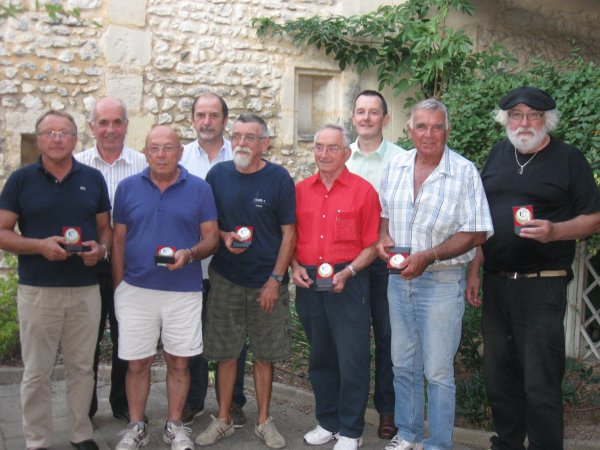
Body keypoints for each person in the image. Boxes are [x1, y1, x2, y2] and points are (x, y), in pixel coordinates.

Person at [466, 86, 600, 450]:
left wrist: (557, 231)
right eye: (516, 115)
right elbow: (484, 221)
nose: (524, 123)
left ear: (547, 120)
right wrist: (475, 268)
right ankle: (507, 444)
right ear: (506, 120)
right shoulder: (497, 154)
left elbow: (594, 218)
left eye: (533, 116)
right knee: (500, 377)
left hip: (543, 286)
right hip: (497, 284)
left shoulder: (568, 159)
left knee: (540, 381)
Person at [377, 99, 493, 450]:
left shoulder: (464, 171)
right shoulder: (395, 165)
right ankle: (408, 434)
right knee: (402, 364)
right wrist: (383, 238)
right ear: (409, 130)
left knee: (439, 373)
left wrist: (429, 256)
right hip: (398, 282)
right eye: (421, 126)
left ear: (447, 130)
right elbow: (385, 215)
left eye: (437, 126)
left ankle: (438, 443)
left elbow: (476, 233)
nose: (429, 134)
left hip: (442, 282)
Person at [0, 110, 112, 450]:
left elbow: (105, 229)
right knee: (37, 372)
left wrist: (101, 250)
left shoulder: (92, 179)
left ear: (76, 139)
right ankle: (37, 440)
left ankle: (81, 433)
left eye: (64, 132)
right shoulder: (21, 180)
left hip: (85, 289)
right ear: (39, 139)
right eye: (50, 132)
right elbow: (2, 233)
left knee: (82, 369)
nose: (57, 138)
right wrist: (38, 246)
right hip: (38, 290)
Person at [111, 126, 219, 450]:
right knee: (137, 362)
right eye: (154, 148)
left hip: (183, 290)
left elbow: (211, 237)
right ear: (144, 152)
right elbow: (117, 241)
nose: (161, 154)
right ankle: (136, 426)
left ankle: (175, 425)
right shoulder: (127, 188)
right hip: (136, 290)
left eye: (168, 148)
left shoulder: (199, 189)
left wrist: (190, 254)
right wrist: (119, 287)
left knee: (179, 361)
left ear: (180, 151)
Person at [195, 113, 296, 449]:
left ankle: (264, 421)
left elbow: (289, 234)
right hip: (225, 279)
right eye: (236, 136)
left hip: (265, 283)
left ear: (263, 143)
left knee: (265, 355)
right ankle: (223, 418)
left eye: (249, 137)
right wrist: (222, 235)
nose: (241, 143)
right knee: (225, 354)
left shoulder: (279, 178)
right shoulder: (217, 175)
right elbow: (208, 224)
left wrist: (275, 280)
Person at [292, 124, 382, 450]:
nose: (324, 154)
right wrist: (295, 266)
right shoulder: (300, 190)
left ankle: (351, 429)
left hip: (350, 279)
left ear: (346, 153)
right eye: (319, 147)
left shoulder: (364, 191)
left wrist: (349, 272)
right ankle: (327, 422)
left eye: (332, 148)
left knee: (352, 357)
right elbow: (291, 238)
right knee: (320, 356)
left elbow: (373, 245)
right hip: (310, 280)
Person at [75, 97, 147, 422]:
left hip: (131, 266)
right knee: (85, 341)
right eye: (103, 122)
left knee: (127, 337)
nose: (110, 129)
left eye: (117, 122)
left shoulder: (144, 165)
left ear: (126, 126)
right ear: (91, 127)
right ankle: (85, 409)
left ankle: (121, 403)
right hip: (87, 266)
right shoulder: (76, 165)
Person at [179, 92, 248, 427]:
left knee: (232, 335)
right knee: (191, 336)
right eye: (201, 115)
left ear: (225, 119)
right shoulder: (179, 159)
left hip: (232, 267)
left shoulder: (242, 156)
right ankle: (193, 400)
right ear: (192, 119)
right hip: (192, 266)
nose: (207, 122)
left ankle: (232, 401)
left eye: (214, 115)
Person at [346, 90, 405, 440]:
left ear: (385, 119)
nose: (366, 118)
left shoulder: (401, 158)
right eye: (360, 112)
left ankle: (387, 410)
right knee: (351, 338)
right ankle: (348, 410)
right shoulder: (342, 157)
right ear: (353, 117)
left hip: (385, 259)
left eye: (374, 112)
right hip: (350, 260)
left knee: (387, 336)